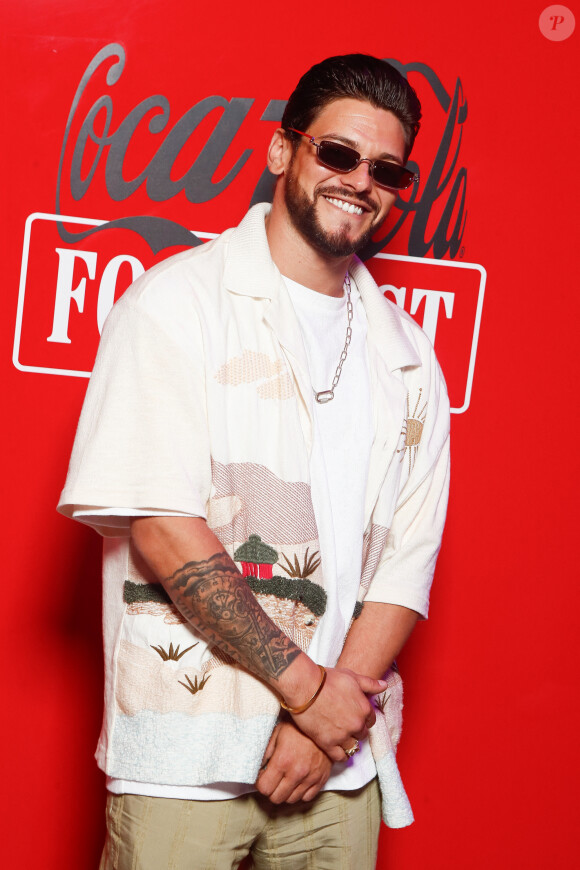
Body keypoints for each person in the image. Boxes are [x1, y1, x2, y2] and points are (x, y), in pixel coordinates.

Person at [59, 53, 450, 870]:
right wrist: (312, 694)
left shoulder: (408, 352)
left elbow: (404, 568)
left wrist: (326, 730)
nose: (360, 181)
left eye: (386, 169)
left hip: (336, 771)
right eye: (337, 154)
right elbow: (163, 529)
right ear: (282, 153)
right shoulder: (175, 302)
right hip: (184, 763)